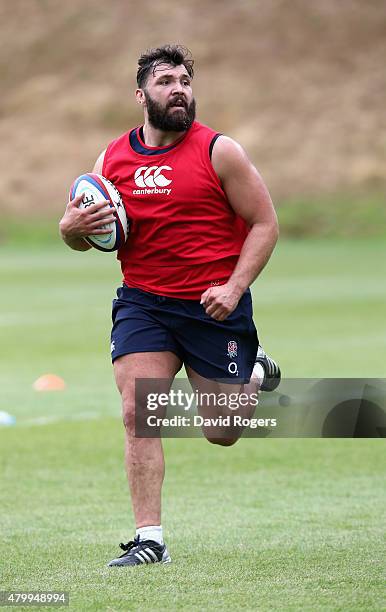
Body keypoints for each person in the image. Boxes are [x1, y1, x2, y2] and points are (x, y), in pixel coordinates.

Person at [59, 44, 281, 567]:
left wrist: (233, 287)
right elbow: (86, 234)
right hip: (143, 303)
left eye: (184, 80)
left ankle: (251, 368)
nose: (179, 88)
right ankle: (149, 540)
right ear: (141, 95)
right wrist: (68, 230)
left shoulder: (219, 152)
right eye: (165, 82)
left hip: (212, 307)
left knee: (221, 432)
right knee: (140, 409)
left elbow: (266, 225)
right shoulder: (111, 160)